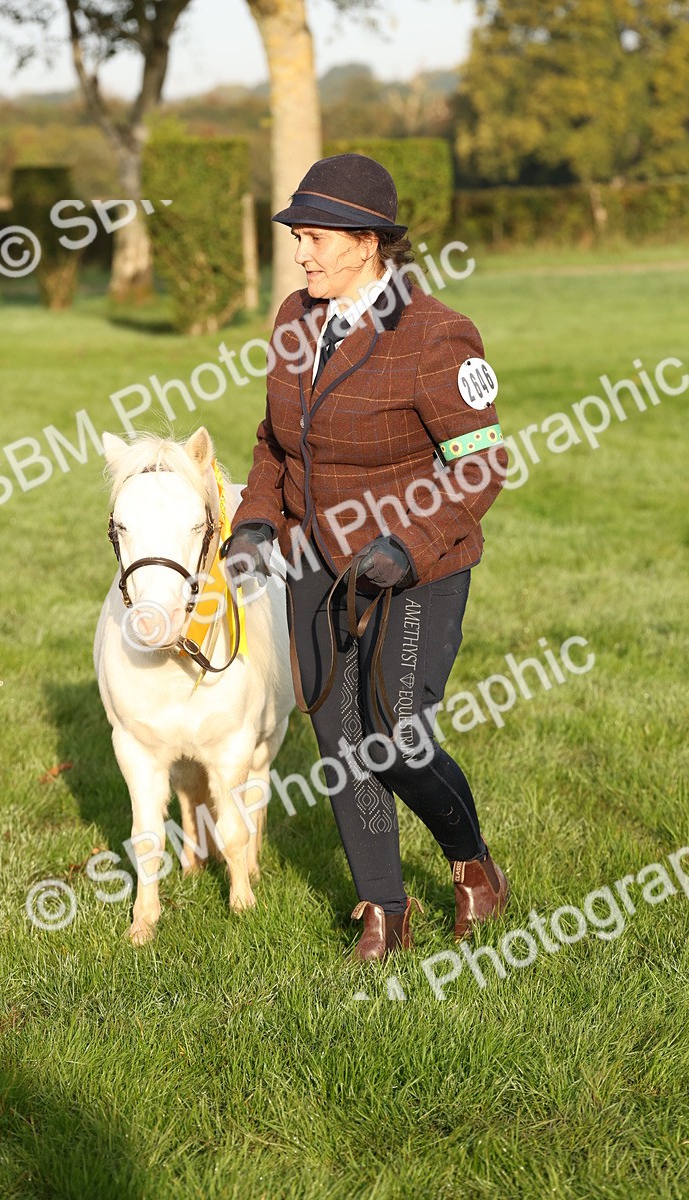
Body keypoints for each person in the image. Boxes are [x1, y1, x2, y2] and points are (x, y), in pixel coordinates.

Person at [220, 153, 509, 962]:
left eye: (313, 237)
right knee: (341, 740)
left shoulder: (436, 333)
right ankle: (383, 908)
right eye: (298, 237)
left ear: (367, 241)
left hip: (416, 562)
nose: (301, 252)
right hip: (316, 562)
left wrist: (404, 547)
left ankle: (473, 863)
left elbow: (483, 465)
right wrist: (253, 526)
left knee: (394, 733)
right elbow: (274, 442)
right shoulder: (295, 317)